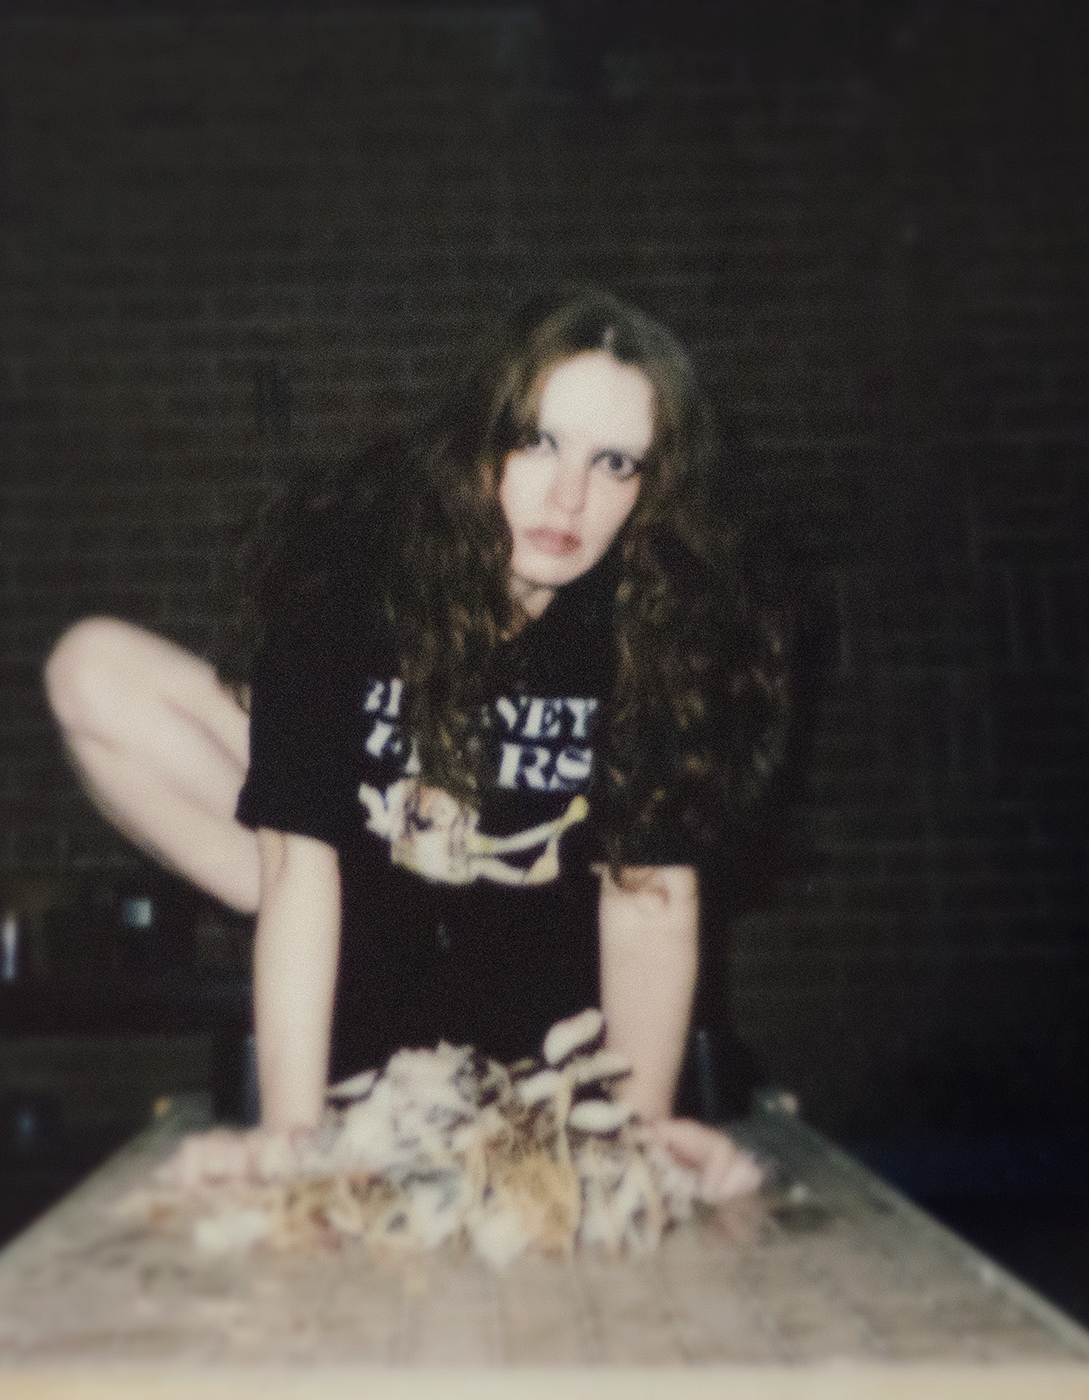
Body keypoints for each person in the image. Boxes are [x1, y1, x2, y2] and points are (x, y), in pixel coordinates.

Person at [45, 286, 794, 1201]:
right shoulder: (354, 558)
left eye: (615, 463)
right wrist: (291, 1137)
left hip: (545, 984)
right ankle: (354, 942)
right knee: (90, 669)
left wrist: (635, 1134)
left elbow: (650, 899)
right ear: (479, 435)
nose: (568, 498)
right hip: (363, 905)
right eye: (538, 442)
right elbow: (295, 856)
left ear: (655, 485)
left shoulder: (663, 617)